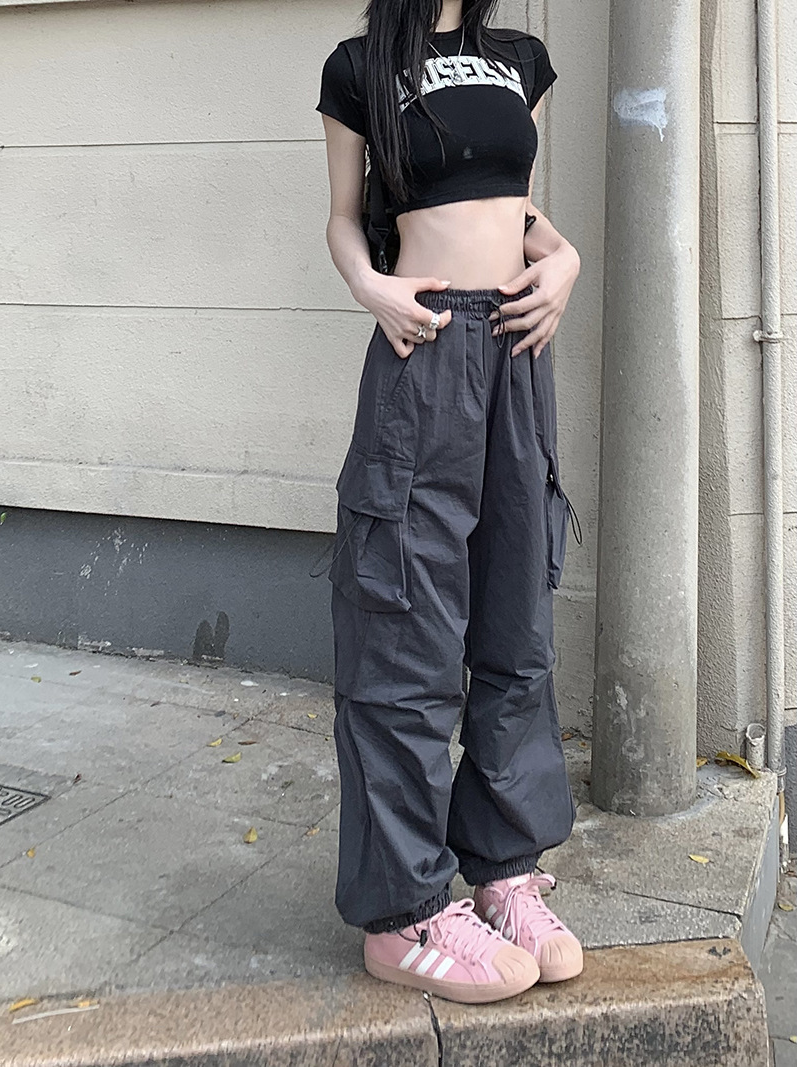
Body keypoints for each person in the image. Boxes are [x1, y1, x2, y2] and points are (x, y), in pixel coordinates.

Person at [315, 0, 583, 1004]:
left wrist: (563, 258)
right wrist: (370, 287)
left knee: (515, 617)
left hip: (517, 347)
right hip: (423, 347)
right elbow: (345, 216)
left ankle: (503, 868)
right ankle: (403, 910)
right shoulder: (359, 66)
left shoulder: (519, 58)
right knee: (404, 623)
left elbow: (517, 208)